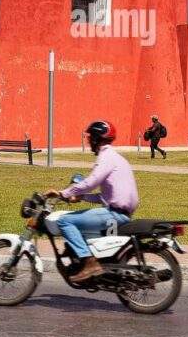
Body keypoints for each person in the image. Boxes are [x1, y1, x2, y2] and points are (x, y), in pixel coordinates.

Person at [45, 120, 138, 283]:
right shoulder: (117, 158)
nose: (88, 141)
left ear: (96, 138)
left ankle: (89, 262)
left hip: (113, 215)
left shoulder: (106, 157)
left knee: (65, 221)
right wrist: (83, 197)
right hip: (121, 213)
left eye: (90, 138)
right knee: (79, 222)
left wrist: (62, 193)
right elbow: (105, 197)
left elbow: (91, 182)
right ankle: (84, 258)